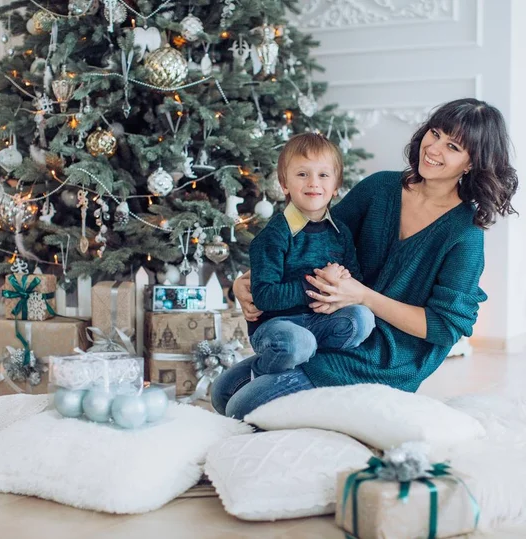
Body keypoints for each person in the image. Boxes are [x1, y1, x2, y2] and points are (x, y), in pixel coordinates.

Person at [212, 97, 518, 420]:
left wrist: (363, 296)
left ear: (471, 163)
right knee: (221, 394)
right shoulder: (380, 188)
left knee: (237, 406)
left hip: (387, 358)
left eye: (453, 146)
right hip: (332, 330)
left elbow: (444, 327)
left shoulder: (464, 233)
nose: (434, 148)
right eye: (436, 133)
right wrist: (247, 281)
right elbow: (311, 236)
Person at [246, 133, 374, 380]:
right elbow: (263, 297)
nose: (313, 183)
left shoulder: (341, 233)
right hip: (278, 325)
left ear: (335, 186)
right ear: (284, 184)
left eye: (323, 175)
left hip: (321, 321)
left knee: (362, 319)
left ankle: (314, 369)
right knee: (297, 342)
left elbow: (354, 281)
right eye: (302, 174)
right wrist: (316, 286)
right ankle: (258, 374)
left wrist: (340, 287)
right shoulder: (274, 235)